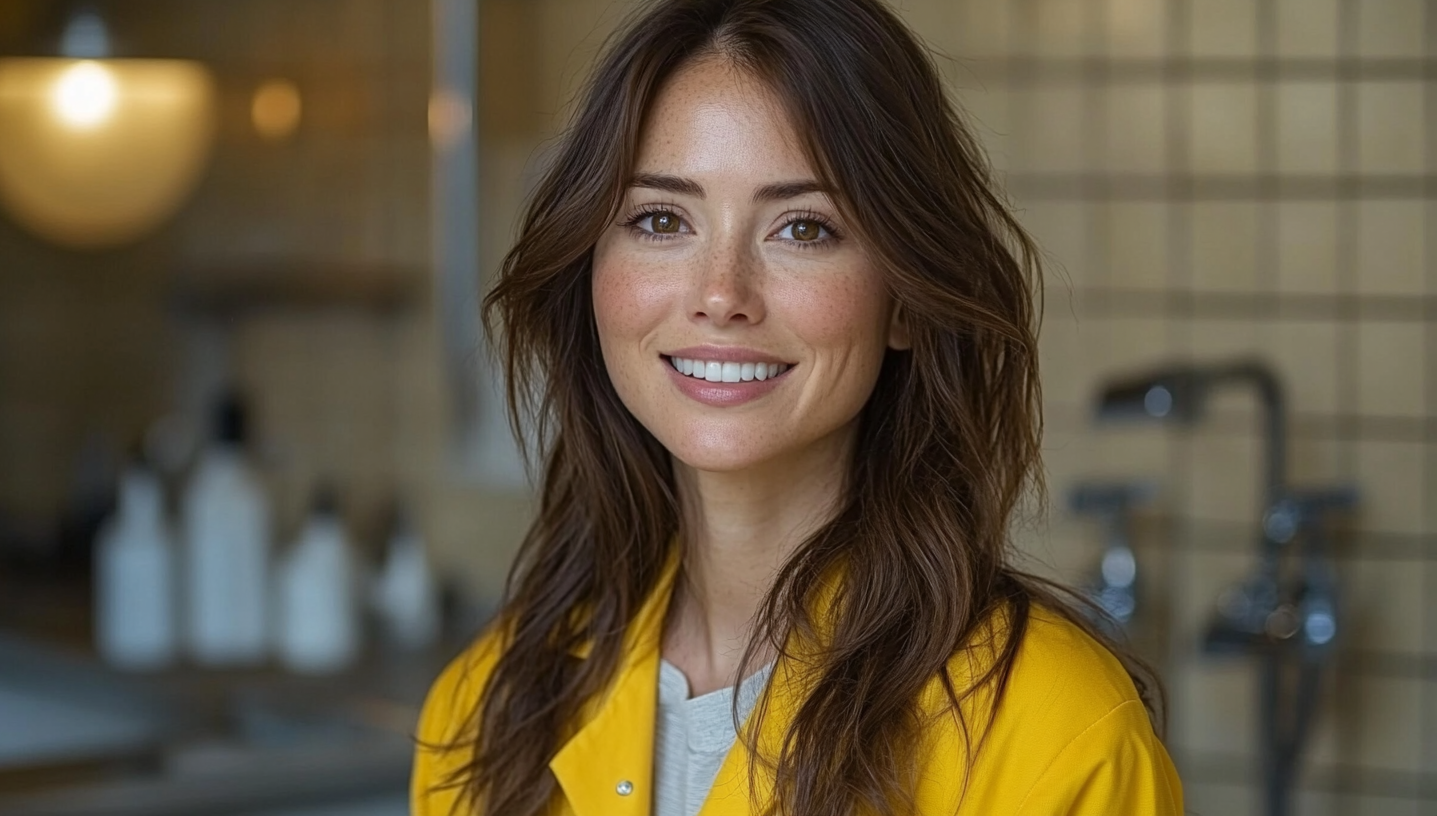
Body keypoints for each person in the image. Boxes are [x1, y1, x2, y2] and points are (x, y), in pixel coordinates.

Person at [413, 0, 1183, 814]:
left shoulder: (1056, 732)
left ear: (906, 300)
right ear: (590, 272)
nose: (721, 294)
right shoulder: (486, 713)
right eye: (662, 219)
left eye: (803, 229)